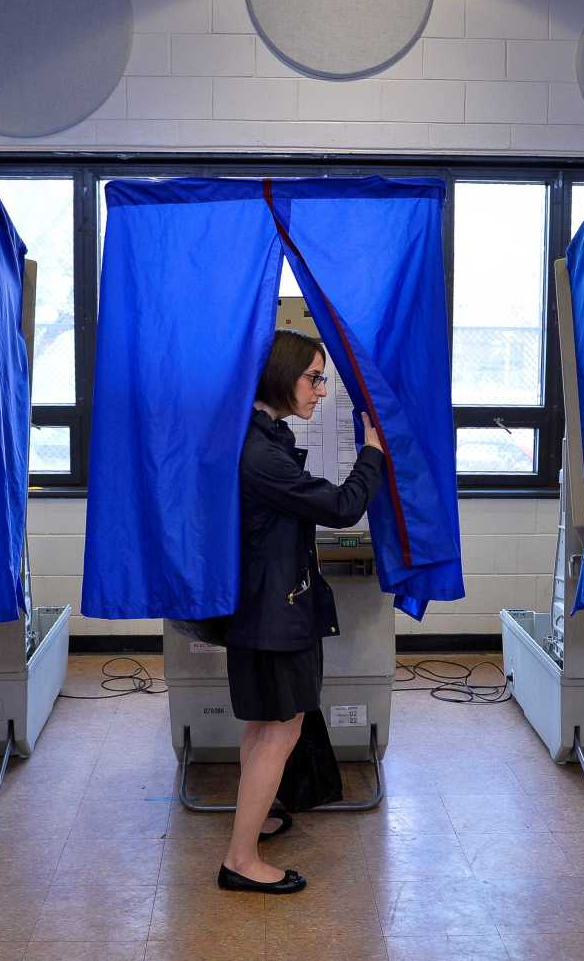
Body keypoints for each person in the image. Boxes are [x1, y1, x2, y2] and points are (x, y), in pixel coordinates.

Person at [217, 329, 385, 895]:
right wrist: (373, 454)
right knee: (281, 729)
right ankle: (240, 859)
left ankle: (254, 818)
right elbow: (340, 506)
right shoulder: (261, 454)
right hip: (272, 612)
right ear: (280, 376)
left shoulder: (257, 436)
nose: (321, 390)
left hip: (261, 606)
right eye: (314, 377)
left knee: (264, 721)